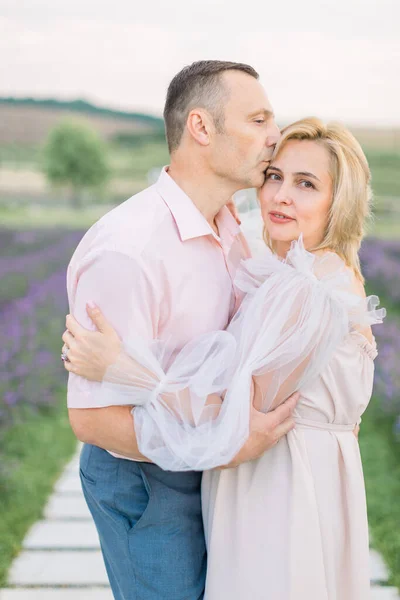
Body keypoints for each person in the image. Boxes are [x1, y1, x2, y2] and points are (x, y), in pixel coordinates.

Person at [63, 118, 385, 599]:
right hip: (293, 482)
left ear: (340, 201)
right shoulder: (310, 271)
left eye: (306, 184)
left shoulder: (309, 290)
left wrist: (123, 369)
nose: (279, 195)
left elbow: (231, 413)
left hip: (276, 492)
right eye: (275, 176)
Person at [63, 60, 299, 600]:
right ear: (201, 127)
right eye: (258, 120)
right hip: (149, 485)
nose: (275, 137)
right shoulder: (130, 251)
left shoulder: (233, 227)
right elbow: (95, 419)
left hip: (219, 471)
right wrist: (226, 446)